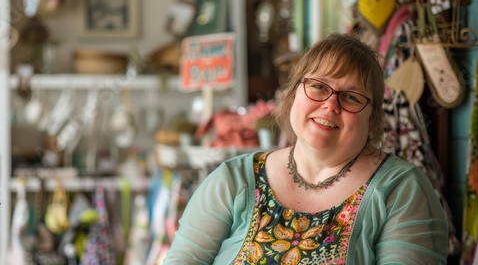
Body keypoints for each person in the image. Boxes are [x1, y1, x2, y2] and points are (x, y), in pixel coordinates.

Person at [163, 33, 448, 264]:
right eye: (319, 87)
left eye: (350, 97)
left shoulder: (401, 191)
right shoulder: (233, 181)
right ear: (293, 93)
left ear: (372, 118)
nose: (330, 105)